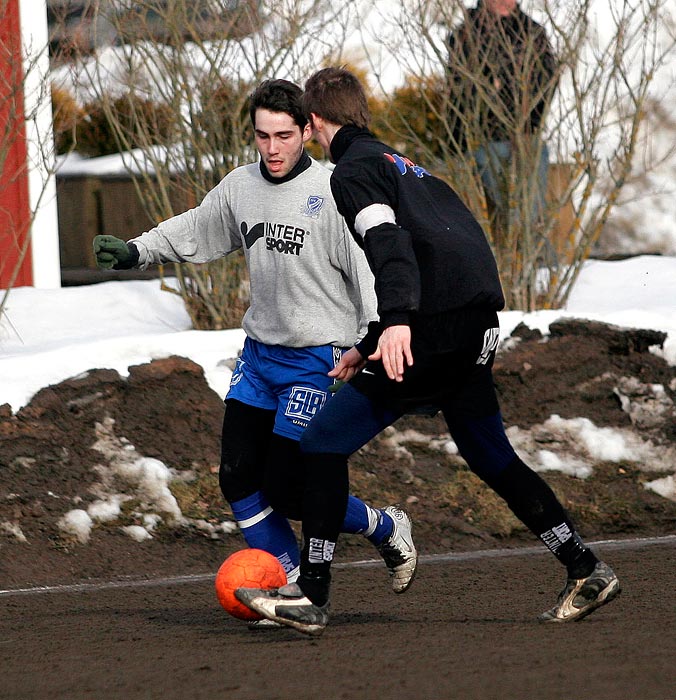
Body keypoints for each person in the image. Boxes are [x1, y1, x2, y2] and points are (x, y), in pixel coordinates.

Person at [235, 67, 620, 636]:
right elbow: (446, 245)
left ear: (314, 121)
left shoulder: (352, 171)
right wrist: (370, 342)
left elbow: (389, 246)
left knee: (321, 443)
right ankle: (584, 566)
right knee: (490, 455)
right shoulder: (402, 164)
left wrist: (394, 325)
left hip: (431, 334)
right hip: (474, 327)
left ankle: (311, 594)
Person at [92, 79, 418, 620]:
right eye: (262, 135)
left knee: (290, 487)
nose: (272, 148)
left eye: (284, 135)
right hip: (261, 356)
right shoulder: (241, 186)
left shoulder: (338, 191)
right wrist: (136, 250)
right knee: (238, 475)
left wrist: (377, 332)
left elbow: (368, 268)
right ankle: (288, 578)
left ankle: (384, 525)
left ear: (308, 131)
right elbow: (197, 228)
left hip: (319, 358)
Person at [447, 0, 558, 234]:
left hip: (527, 133)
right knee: (500, 181)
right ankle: (518, 237)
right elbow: (459, 92)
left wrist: (527, 124)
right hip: (484, 139)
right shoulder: (466, 34)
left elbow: (546, 82)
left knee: (534, 164)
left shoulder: (533, 32)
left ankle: (525, 238)